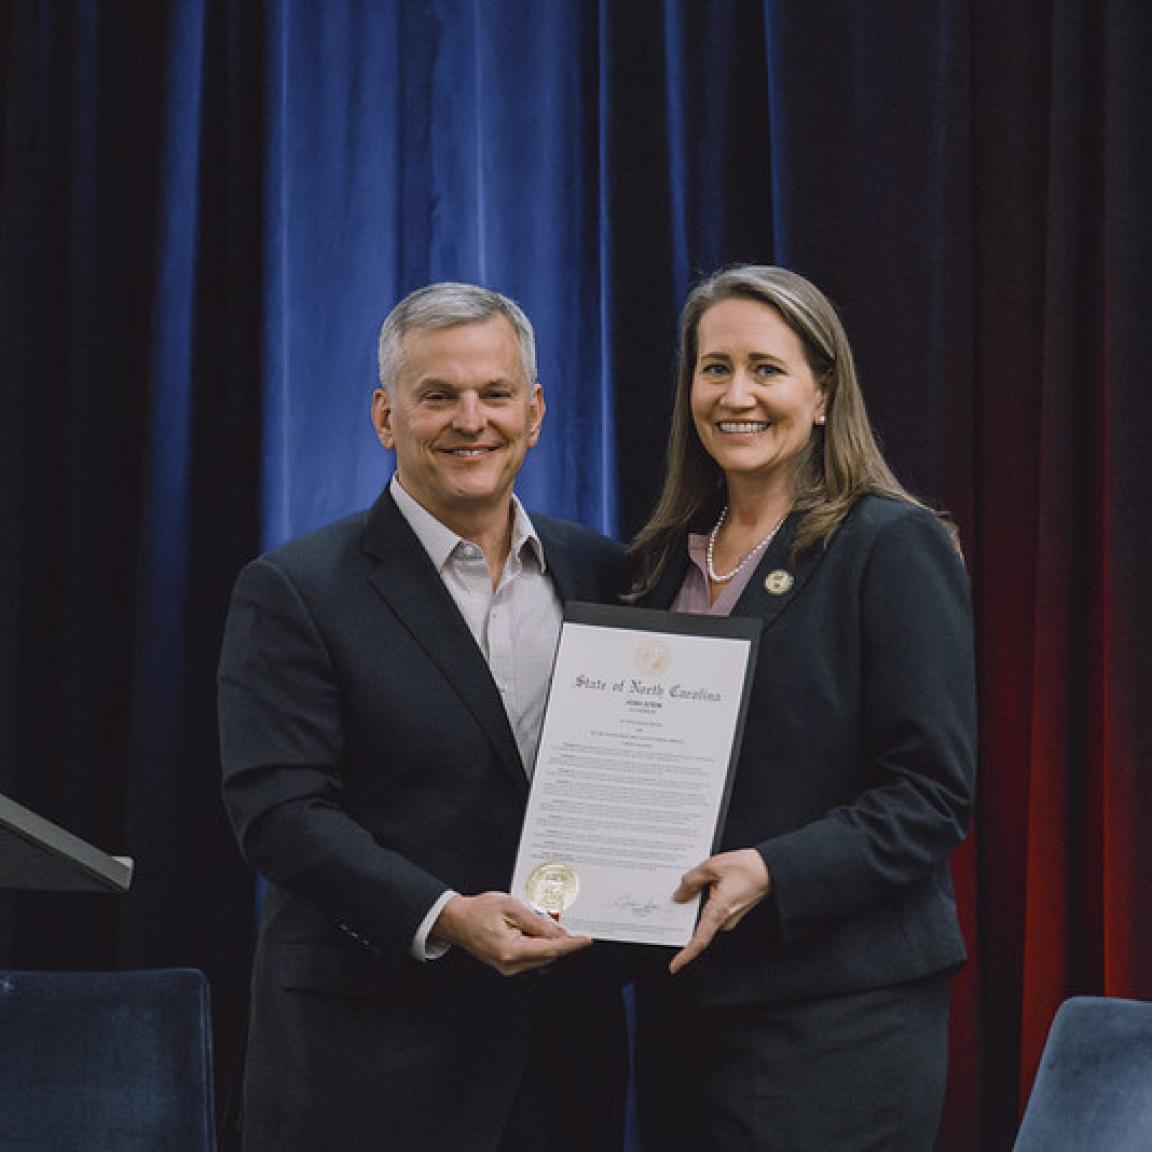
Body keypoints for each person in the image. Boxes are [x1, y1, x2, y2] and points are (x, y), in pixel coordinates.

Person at [218, 282, 629, 1152]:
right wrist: (445, 914)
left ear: (536, 411)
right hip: (366, 1064)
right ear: (385, 415)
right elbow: (278, 814)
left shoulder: (604, 572)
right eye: (437, 395)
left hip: (562, 1055)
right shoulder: (295, 588)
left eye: (494, 394)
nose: (469, 420)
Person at [628, 264, 977, 1150]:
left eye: (766, 369)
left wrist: (773, 870)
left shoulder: (890, 545)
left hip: (838, 1015)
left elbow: (931, 795)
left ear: (823, 394)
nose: (735, 395)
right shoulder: (665, 558)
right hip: (685, 1006)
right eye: (714, 369)